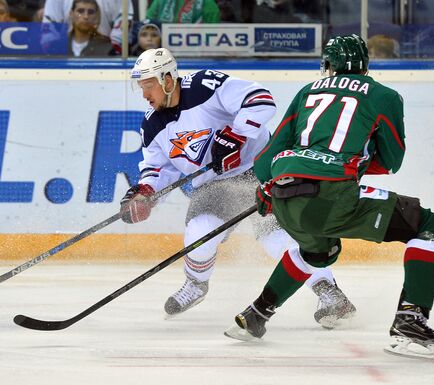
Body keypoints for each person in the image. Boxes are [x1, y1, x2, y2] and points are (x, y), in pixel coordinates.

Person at [224, 34, 434, 361]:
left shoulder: (307, 92)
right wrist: (354, 161)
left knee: (319, 251)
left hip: (284, 195)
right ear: (364, 65)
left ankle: (256, 316)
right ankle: (411, 322)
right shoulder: (383, 95)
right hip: (332, 194)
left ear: (329, 65)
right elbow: (392, 162)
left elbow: (265, 159)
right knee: (431, 224)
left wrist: (265, 188)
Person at [120, 47, 356, 327]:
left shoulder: (204, 85)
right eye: (141, 87)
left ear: (168, 80)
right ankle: (196, 284)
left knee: (277, 238)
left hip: (259, 171)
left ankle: (329, 293)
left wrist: (237, 135)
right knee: (199, 233)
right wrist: (145, 192)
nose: (145, 95)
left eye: (149, 86)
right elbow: (157, 168)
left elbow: (262, 100)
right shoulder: (152, 124)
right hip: (213, 185)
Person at [43, 0, 133, 53]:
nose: (85, 16)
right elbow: (50, 27)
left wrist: (112, 50)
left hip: (104, 52)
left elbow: (124, 21)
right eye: (81, 11)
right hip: (66, 52)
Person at [146, 0, 221, 23]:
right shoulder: (160, 1)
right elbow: (147, 25)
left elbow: (213, 39)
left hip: (195, 55)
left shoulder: (208, 4)